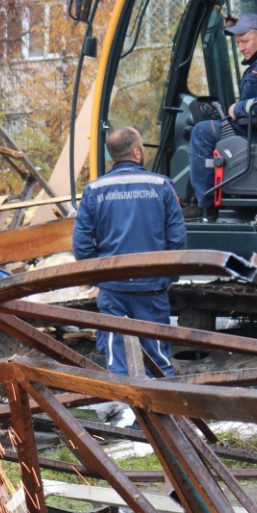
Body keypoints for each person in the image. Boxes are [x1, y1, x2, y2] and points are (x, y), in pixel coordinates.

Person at [73, 127, 186, 378]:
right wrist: (167, 277)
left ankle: (126, 412)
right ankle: (160, 413)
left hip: (113, 291)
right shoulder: (162, 186)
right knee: (157, 361)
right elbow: (177, 240)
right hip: (152, 289)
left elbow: (81, 245)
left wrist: (99, 279)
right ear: (136, 152)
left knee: (118, 362)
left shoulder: (94, 191)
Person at [184, 12, 257, 220]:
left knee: (203, 132)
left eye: (245, 41)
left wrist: (236, 110)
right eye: (238, 42)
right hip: (252, 126)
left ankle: (205, 206)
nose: (240, 47)